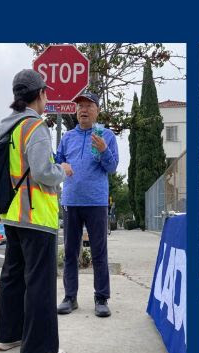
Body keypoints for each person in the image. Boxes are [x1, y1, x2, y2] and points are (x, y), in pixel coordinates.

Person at [0, 69, 72, 353]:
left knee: (12, 276)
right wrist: (62, 170)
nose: (47, 98)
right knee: (40, 280)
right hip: (37, 216)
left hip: (12, 214)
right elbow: (42, 172)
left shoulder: (8, 127)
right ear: (39, 95)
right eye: (45, 93)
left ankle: (7, 336)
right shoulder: (35, 127)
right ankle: (39, 349)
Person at [55, 91, 119, 318]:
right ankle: (69, 297)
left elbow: (112, 168)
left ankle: (101, 298)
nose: (83, 109)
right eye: (80, 106)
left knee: (99, 252)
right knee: (70, 252)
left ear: (97, 110)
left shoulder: (106, 135)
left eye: (88, 105)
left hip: (96, 202)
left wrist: (103, 150)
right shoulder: (67, 137)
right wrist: (61, 165)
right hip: (71, 201)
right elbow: (57, 161)